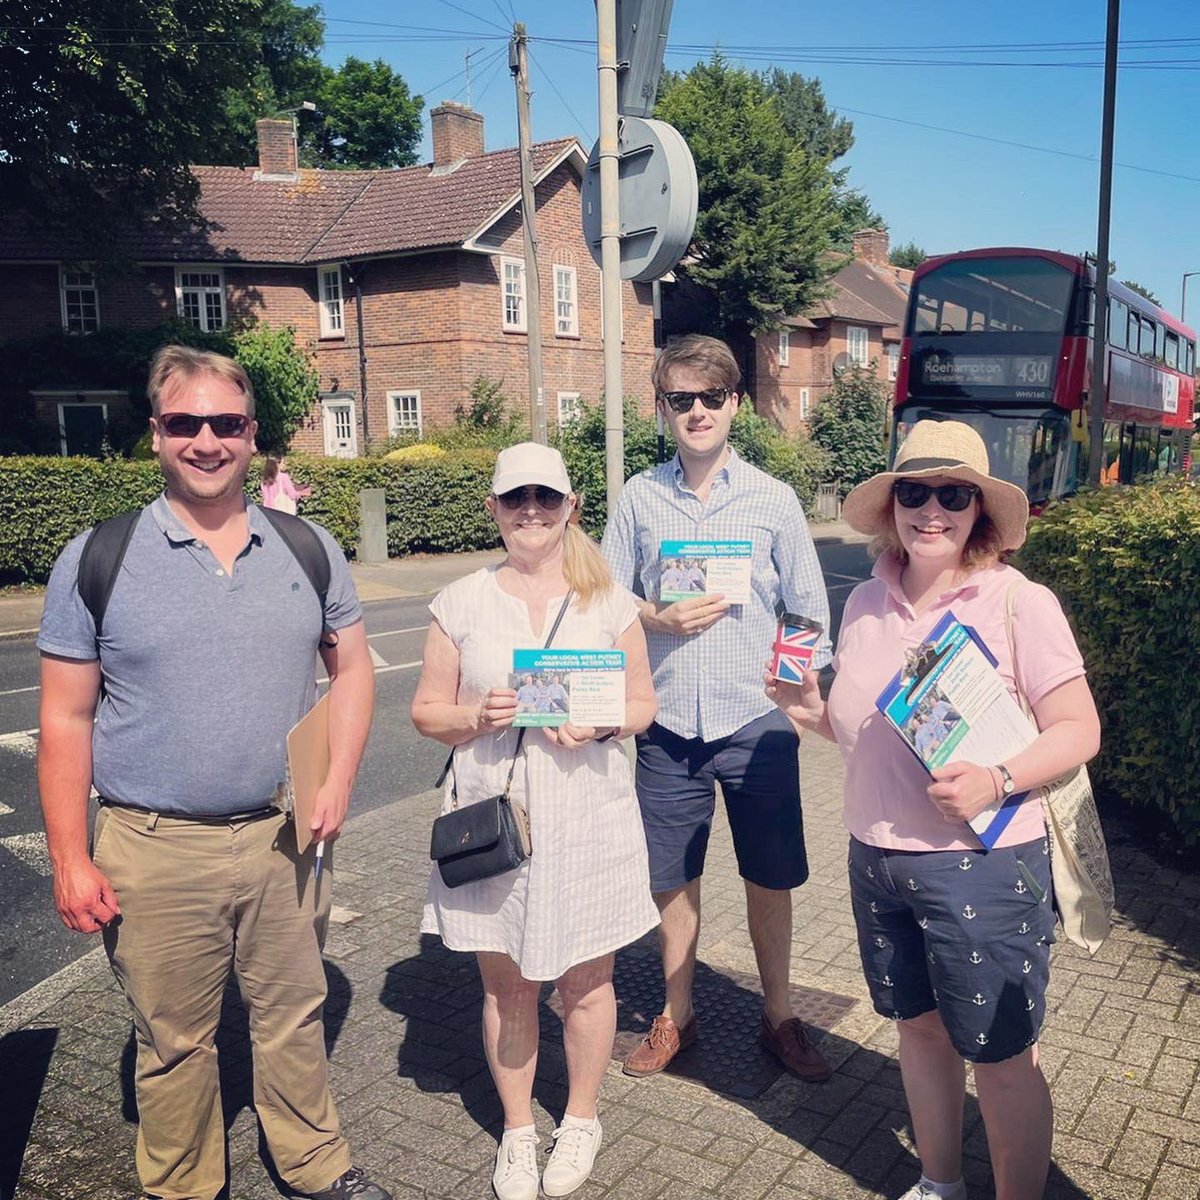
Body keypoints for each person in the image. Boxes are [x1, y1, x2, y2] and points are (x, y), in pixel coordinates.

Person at [37, 345, 388, 1200]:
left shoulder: (309, 548)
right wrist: (69, 856)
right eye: (184, 423)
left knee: (293, 1018)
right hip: (153, 848)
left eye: (225, 423)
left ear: (252, 435)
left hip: (285, 834)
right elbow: (63, 716)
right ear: (154, 433)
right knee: (174, 1040)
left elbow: (354, 670)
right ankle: (186, 1186)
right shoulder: (98, 559)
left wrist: (338, 775)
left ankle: (312, 1165)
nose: (206, 440)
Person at [767, 420, 1101, 1200]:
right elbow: (865, 733)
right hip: (875, 859)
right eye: (915, 491)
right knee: (917, 1029)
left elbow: (1081, 730)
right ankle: (940, 1181)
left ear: (980, 510)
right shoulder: (865, 604)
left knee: (1001, 1054)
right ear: (892, 503)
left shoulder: (1020, 602)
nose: (932, 511)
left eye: (954, 495)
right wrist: (804, 705)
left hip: (980, 866)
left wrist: (997, 776)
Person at [411, 442, 659, 1200]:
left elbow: (645, 704)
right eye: (515, 498)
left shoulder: (609, 601)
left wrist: (602, 725)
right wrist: (473, 716)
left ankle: (580, 1117)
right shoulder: (459, 602)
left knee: (588, 980)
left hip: (589, 815)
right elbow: (425, 712)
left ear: (569, 509)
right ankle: (520, 1131)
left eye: (545, 499)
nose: (530, 512)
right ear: (492, 508)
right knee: (508, 983)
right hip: (498, 819)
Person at [601, 333, 834, 1084]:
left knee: (770, 875)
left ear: (734, 403)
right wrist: (653, 618)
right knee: (671, 877)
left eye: (710, 397)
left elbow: (806, 614)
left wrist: (790, 692)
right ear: (662, 407)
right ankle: (678, 1016)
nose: (695, 411)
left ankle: (778, 1015)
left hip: (753, 724)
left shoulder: (774, 501)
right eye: (680, 399)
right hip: (667, 726)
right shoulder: (639, 496)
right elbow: (601, 602)